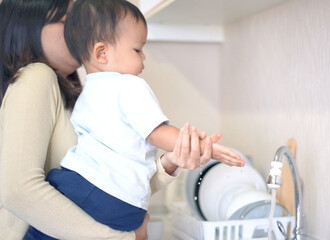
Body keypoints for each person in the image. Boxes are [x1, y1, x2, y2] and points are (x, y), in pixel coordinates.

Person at [23, 0, 245, 239]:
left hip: (85, 188)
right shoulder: (129, 85)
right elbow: (157, 132)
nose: (144, 58)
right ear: (102, 52)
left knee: (38, 231)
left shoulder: (87, 93)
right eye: (137, 50)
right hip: (121, 203)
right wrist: (202, 147)